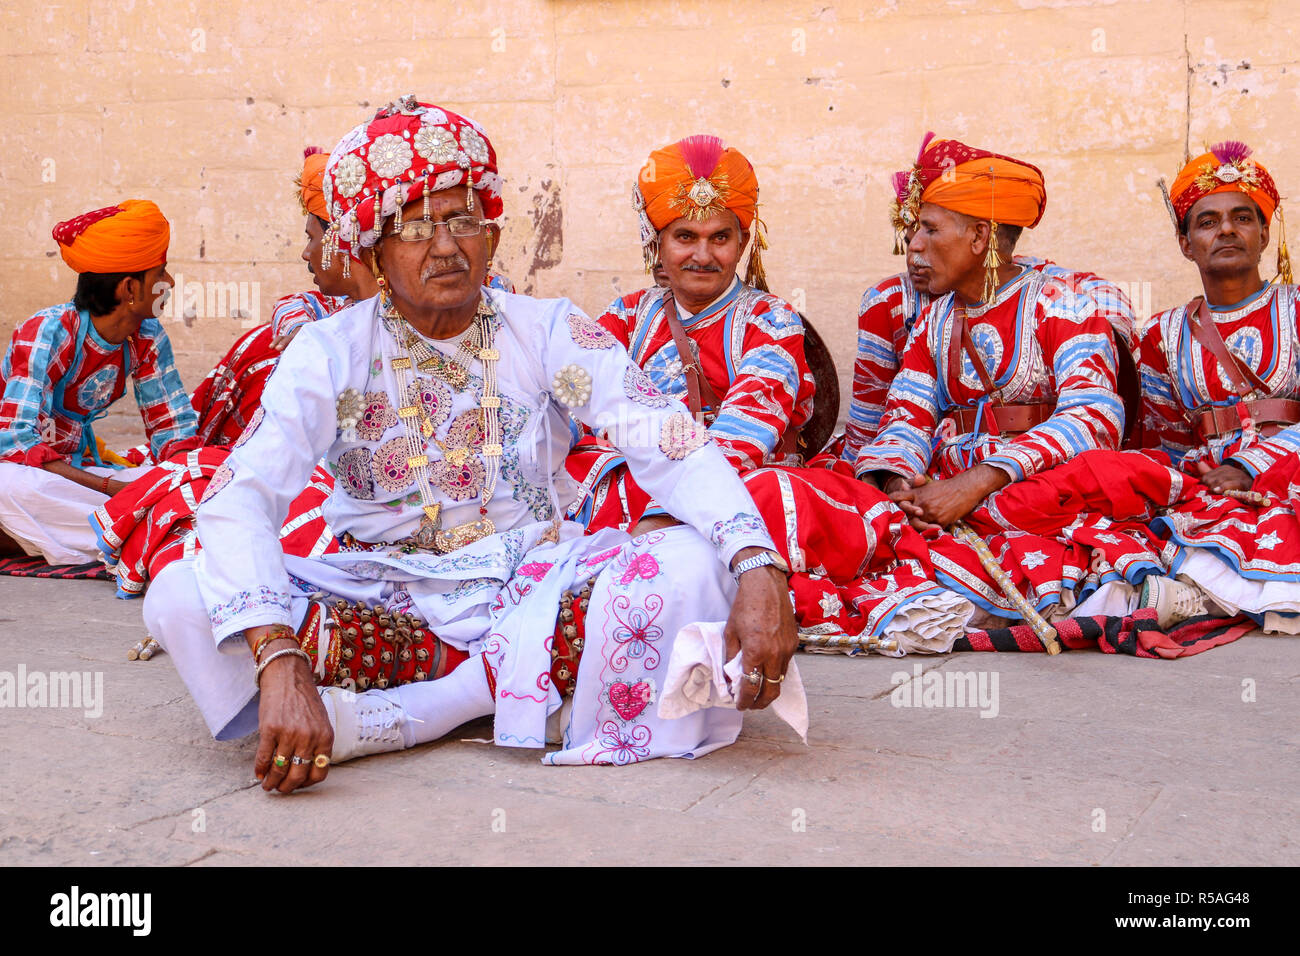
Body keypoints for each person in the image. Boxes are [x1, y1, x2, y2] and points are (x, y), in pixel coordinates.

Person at [143, 97, 798, 793]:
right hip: (384, 601)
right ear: (373, 249)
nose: (447, 245)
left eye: (463, 220)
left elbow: (667, 439)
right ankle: (522, 688)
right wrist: (277, 656)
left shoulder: (544, 329)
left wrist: (761, 566)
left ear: (490, 232)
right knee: (180, 593)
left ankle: (430, 707)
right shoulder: (327, 352)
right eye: (417, 227)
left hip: (536, 587)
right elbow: (241, 496)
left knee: (701, 561)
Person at [855, 137, 1165, 626]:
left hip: (1033, 480)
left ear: (979, 238)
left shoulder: (1062, 301)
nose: (913, 244)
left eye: (929, 229)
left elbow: (1095, 418)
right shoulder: (932, 323)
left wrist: (980, 482)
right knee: (853, 504)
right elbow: (905, 418)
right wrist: (900, 483)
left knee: (1061, 493)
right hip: (948, 483)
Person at [565, 135, 814, 532]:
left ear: (742, 242)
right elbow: (573, 398)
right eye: (685, 237)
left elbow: (745, 432)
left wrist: (666, 511)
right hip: (637, 483)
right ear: (657, 243)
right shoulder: (628, 315)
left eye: (720, 238)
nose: (703, 256)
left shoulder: (771, 320)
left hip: (731, 486)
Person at [1135, 141, 1300, 628]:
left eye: (1242, 217)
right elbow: (1165, 439)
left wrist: (1252, 465)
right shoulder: (1161, 335)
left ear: (1265, 234)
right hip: (1212, 481)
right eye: (1207, 221)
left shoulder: (1296, 309)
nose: (1226, 229)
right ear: (1187, 244)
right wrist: (1198, 478)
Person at [0, 200, 197, 564]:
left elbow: (175, 432)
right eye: (161, 274)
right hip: (29, 474)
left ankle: (126, 530)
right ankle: (144, 531)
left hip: (77, 474)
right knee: (9, 487)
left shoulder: (148, 336)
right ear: (129, 289)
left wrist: (180, 477)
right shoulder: (47, 331)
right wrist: (116, 490)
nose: (169, 284)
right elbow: (15, 444)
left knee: (187, 474)